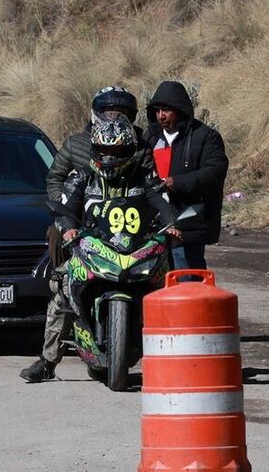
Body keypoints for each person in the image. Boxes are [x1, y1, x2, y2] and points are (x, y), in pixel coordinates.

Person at [20, 116, 178, 383]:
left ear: (128, 150)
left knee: (170, 290)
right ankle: (48, 362)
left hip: (137, 248)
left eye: (116, 150)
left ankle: (174, 358)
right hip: (93, 246)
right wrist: (68, 228)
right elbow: (66, 208)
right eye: (104, 150)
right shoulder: (81, 176)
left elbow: (162, 204)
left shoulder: (144, 176)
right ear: (94, 148)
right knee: (62, 289)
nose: (109, 156)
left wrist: (172, 225)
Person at [143, 81, 228, 271]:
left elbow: (215, 171)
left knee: (186, 279)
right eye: (157, 110)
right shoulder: (150, 136)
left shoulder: (206, 136)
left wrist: (177, 182)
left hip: (187, 223)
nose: (161, 116)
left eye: (166, 110)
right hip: (153, 224)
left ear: (180, 110)